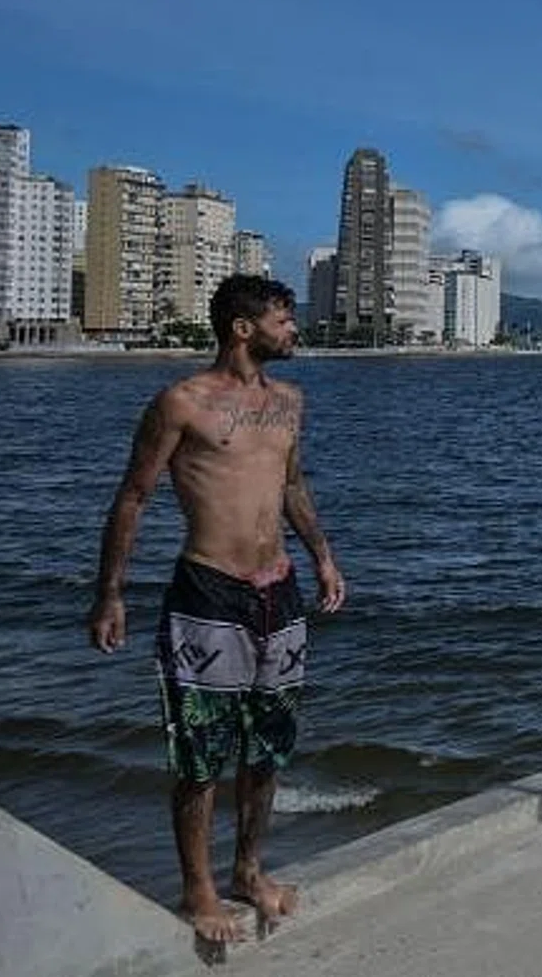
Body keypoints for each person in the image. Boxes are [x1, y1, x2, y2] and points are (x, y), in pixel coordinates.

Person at [87, 274, 346, 942]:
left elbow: (292, 486)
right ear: (242, 328)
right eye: (283, 321)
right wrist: (110, 593)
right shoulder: (182, 402)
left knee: (268, 747)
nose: (294, 330)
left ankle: (248, 872)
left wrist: (322, 556)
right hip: (208, 592)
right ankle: (199, 890)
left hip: (279, 591)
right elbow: (133, 498)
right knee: (200, 754)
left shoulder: (289, 402)